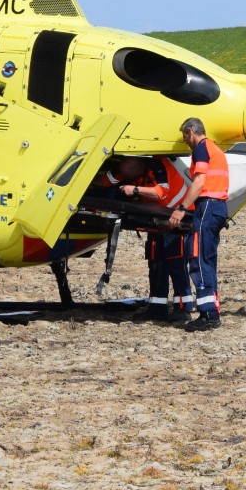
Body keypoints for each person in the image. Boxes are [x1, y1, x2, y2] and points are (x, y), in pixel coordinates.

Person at [101, 156, 191, 322]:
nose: (128, 177)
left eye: (131, 174)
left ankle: (183, 308)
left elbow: (161, 192)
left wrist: (135, 190)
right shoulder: (130, 170)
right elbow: (107, 180)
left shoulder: (157, 165)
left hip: (177, 219)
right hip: (156, 218)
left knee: (175, 263)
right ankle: (157, 307)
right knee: (156, 263)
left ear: (139, 165)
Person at [171, 117, 230, 332]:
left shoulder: (201, 149)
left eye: (184, 137)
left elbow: (200, 181)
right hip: (218, 207)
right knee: (208, 259)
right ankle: (211, 309)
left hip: (207, 207)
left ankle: (208, 314)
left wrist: (182, 208)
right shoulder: (214, 149)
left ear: (191, 132)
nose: (185, 141)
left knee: (198, 257)